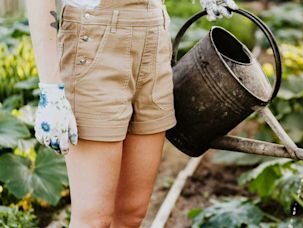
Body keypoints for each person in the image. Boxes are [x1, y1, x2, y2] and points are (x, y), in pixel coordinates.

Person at [26, 0, 238, 227]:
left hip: (154, 34)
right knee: (94, 219)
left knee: (131, 213)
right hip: (95, 39)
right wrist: (51, 88)